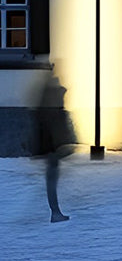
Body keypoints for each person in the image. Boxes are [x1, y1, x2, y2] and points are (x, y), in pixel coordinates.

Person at [33, 70, 74, 223]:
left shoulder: (47, 98)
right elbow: (54, 125)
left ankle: (55, 211)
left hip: (51, 146)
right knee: (51, 180)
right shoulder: (51, 100)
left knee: (51, 180)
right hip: (51, 146)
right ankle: (55, 212)